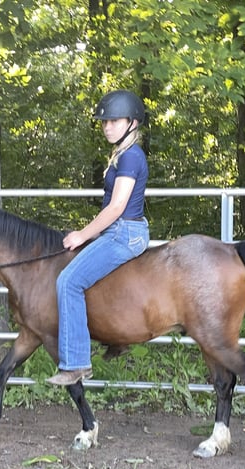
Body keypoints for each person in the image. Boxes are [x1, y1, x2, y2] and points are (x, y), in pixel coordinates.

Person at [46, 89, 150, 386]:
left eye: (114, 121)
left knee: (68, 281)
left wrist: (82, 234)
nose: (107, 126)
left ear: (132, 122)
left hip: (123, 233)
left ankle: (76, 363)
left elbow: (117, 207)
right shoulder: (123, 154)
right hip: (119, 231)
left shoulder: (130, 157)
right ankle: (115, 338)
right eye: (104, 122)